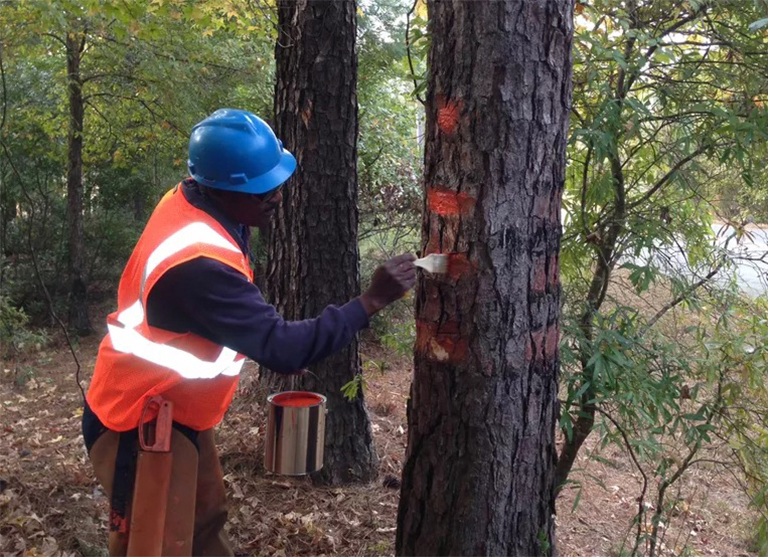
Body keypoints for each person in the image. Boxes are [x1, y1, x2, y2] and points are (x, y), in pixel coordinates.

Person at [82, 108, 416, 556]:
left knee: (204, 526)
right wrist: (371, 300)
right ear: (221, 189)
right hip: (138, 423)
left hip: (176, 413)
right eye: (263, 192)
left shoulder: (198, 202)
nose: (277, 197)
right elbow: (282, 349)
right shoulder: (199, 265)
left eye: (277, 184)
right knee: (157, 544)